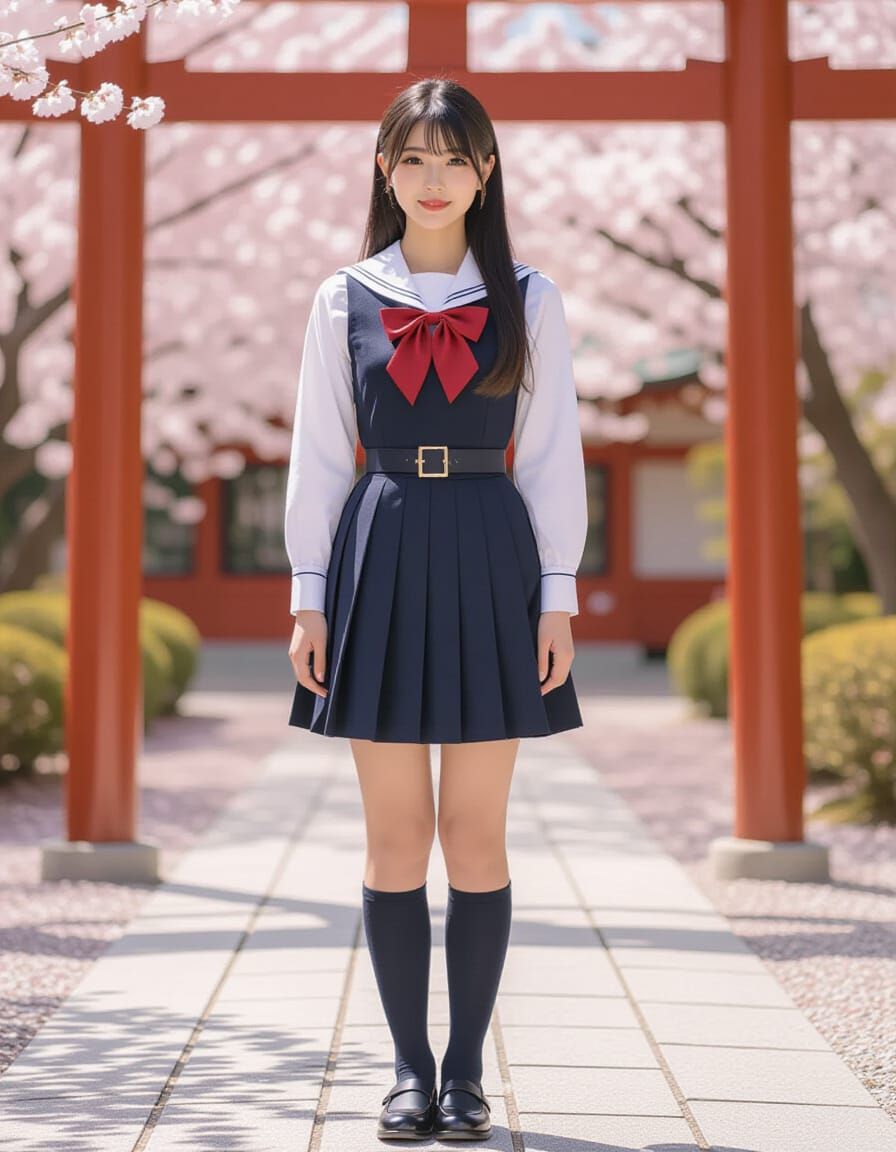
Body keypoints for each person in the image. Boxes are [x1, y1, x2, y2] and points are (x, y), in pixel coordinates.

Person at [283, 77, 588, 1142]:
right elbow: (319, 458)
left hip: (489, 549)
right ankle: (407, 1071)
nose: (432, 180)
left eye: (453, 160)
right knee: (394, 838)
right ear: (383, 169)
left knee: (474, 835)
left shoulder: (529, 295)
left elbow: (551, 458)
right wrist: (307, 597)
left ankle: (467, 1075)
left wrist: (558, 596)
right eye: (411, 159)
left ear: (486, 172)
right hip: (378, 543)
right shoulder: (341, 296)